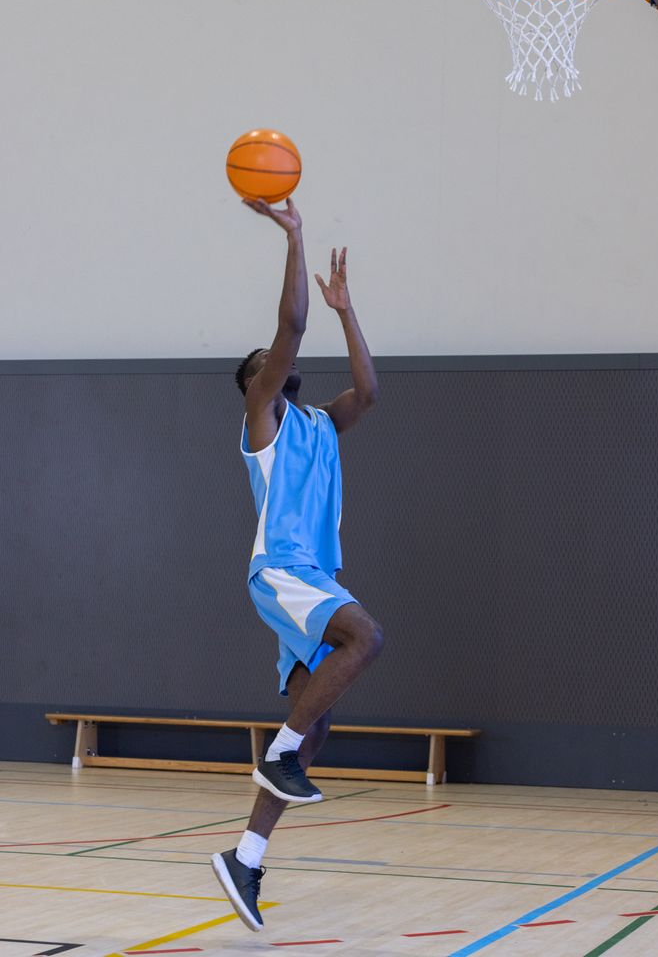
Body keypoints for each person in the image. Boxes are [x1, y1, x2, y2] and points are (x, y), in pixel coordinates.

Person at [212, 196, 383, 932]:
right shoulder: (263, 423)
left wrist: (347, 310)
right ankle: (279, 751)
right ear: (258, 382)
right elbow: (290, 328)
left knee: (317, 728)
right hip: (280, 571)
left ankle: (244, 858)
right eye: (264, 361)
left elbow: (369, 392)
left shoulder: (318, 424)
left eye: (274, 359)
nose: (275, 358)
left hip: (314, 578)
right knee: (366, 637)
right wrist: (295, 236)